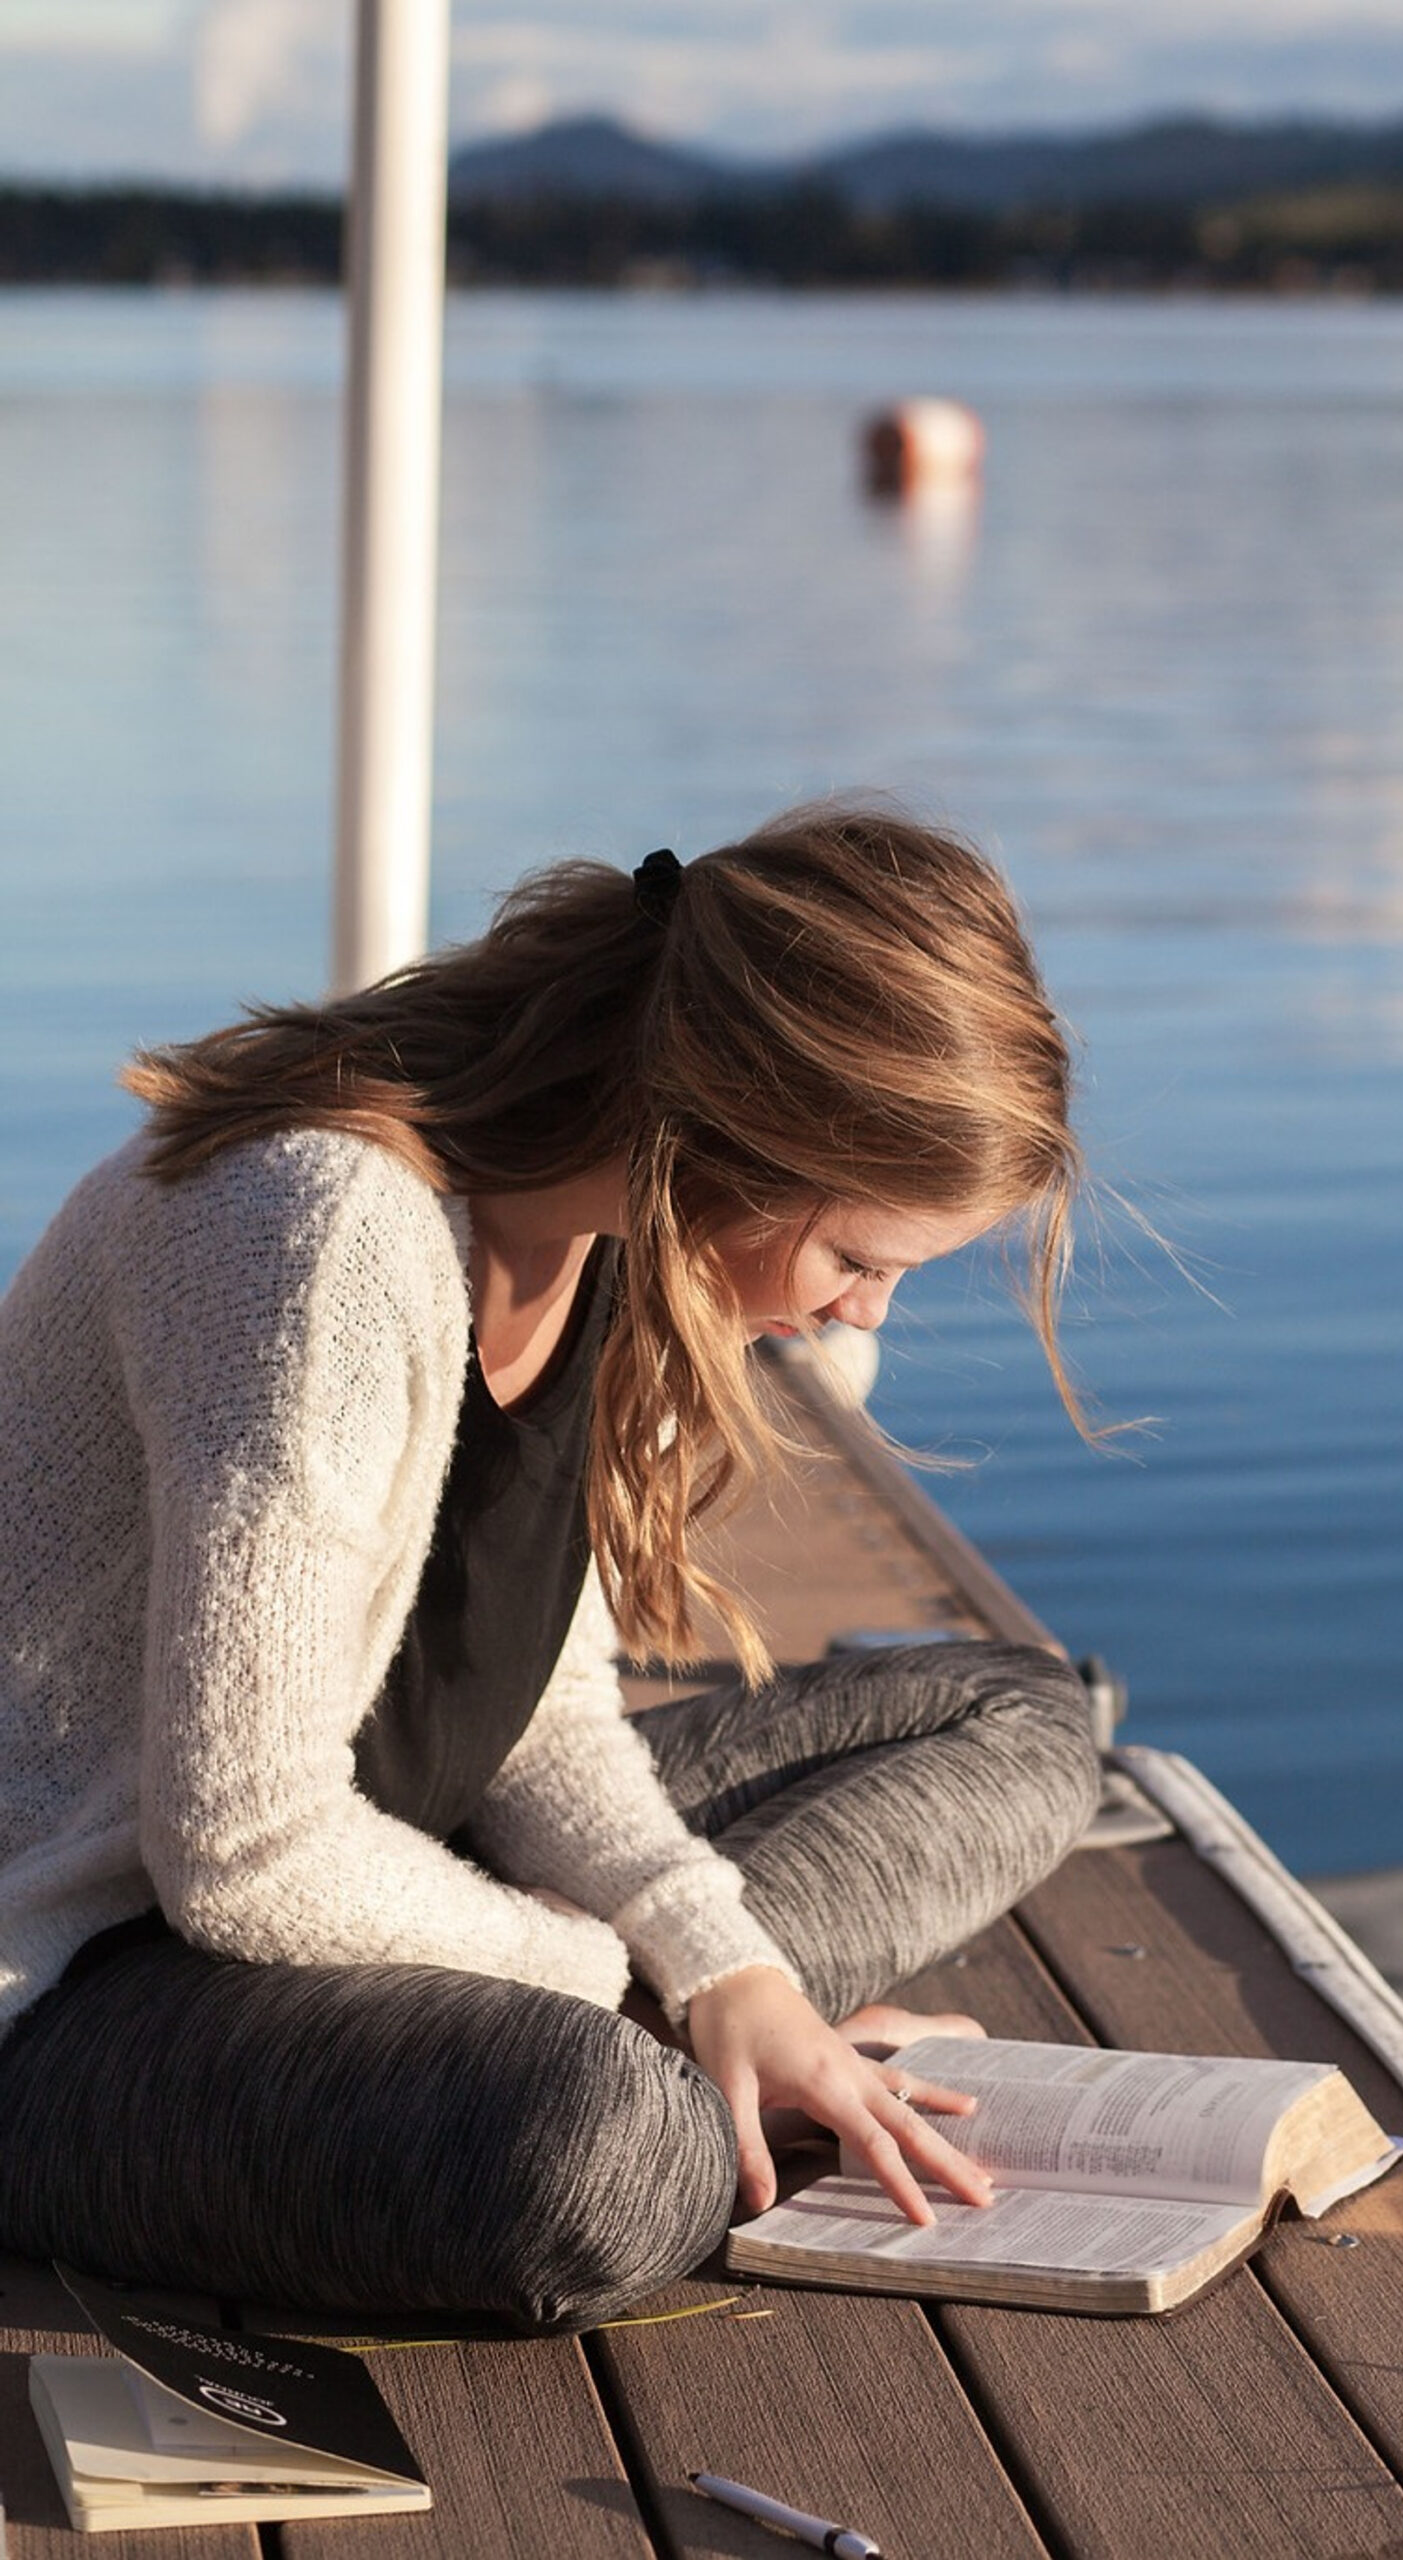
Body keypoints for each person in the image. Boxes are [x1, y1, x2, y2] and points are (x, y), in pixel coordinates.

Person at [0, 806, 1103, 2331]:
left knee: (1021, 1720)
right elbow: (242, 1852)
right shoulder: (318, 1237)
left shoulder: (618, 1241)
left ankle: (735, 2049)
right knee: (599, 2155)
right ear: (730, 1131)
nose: (865, 1321)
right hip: (83, 1980)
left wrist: (727, 1972)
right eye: (858, 1259)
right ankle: (679, 2076)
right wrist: (616, 1978)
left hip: (396, 1880)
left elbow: (539, 1709)